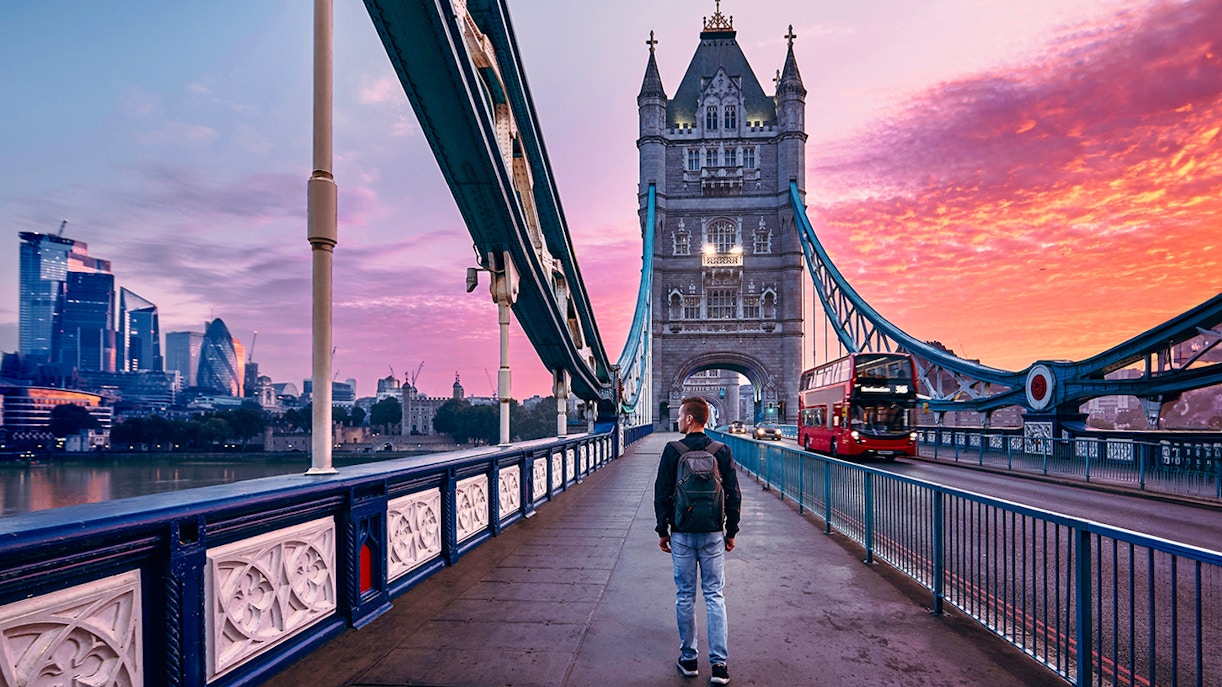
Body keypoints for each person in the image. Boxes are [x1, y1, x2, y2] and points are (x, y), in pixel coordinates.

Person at [654, 396, 742, 684]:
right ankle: (719, 666)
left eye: (680, 416)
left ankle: (689, 659)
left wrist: (662, 530)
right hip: (714, 533)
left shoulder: (672, 450)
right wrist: (731, 532)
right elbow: (733, 493)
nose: (678, 420)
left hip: (681, 533)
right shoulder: (722, 450)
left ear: (690, 419)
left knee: (685, 596)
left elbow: (662, 493)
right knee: (715, 596)